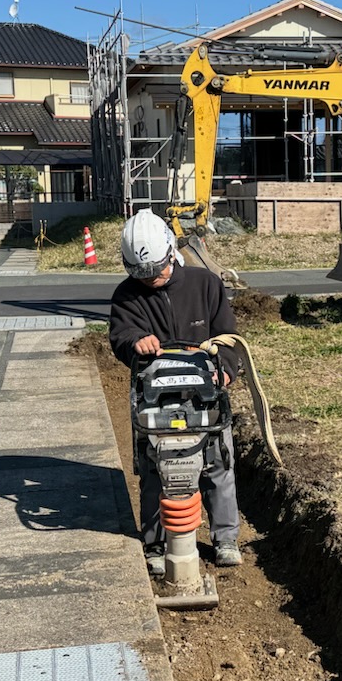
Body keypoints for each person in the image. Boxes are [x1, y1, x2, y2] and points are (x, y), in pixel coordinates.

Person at [109, 208, 243, 575]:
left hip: (205, 392)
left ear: (172, 251)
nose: (152, 279)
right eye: (143, 274)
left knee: (218, 463)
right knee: (154, 470)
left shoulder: (205, 285)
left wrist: (226, 372)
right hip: (155, 396)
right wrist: (136, 341)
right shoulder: (127, 296)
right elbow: (119, 337)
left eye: (158, 270)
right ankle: (154, 543)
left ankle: (226, 538)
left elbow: (229, 338)